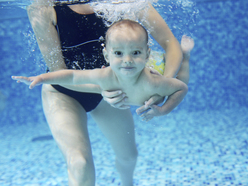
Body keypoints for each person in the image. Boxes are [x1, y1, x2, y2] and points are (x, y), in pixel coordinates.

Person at [24, 1, 189, 185]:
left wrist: (160, 87)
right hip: (64, 93)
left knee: (129, 156)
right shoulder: (42, 8)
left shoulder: (125, 2)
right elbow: (60, 74)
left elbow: (170, 44)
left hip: (112, 89)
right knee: (79, 163)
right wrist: (101, 89)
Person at [12, 19, 190, 118]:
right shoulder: (105, 75)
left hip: (154, 66)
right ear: (107, 56)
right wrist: (43, 78)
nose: (127, 61)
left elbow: (182, 87)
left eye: (135, 52)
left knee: (182, 73)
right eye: (118, 53)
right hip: (141, 68)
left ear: (145, 54)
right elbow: (73, 77)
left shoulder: (154, 82)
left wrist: (164, 109)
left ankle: (186, 54)